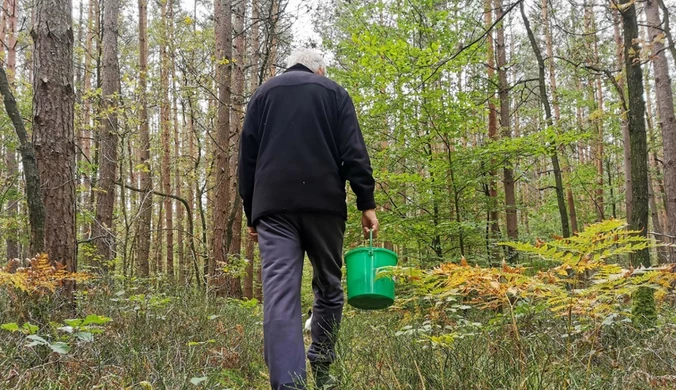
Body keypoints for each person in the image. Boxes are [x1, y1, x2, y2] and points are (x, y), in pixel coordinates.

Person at [238, 48, 378, 389]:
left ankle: (289, 385)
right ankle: (322, 365)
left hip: (272, 209)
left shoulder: (263, 94)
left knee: (280, 296)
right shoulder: (333, 92)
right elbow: (353, 152)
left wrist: (250, 211)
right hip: (324, 206)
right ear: (319, 70)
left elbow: (247, 159)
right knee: (329, 287)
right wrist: (366, 202)